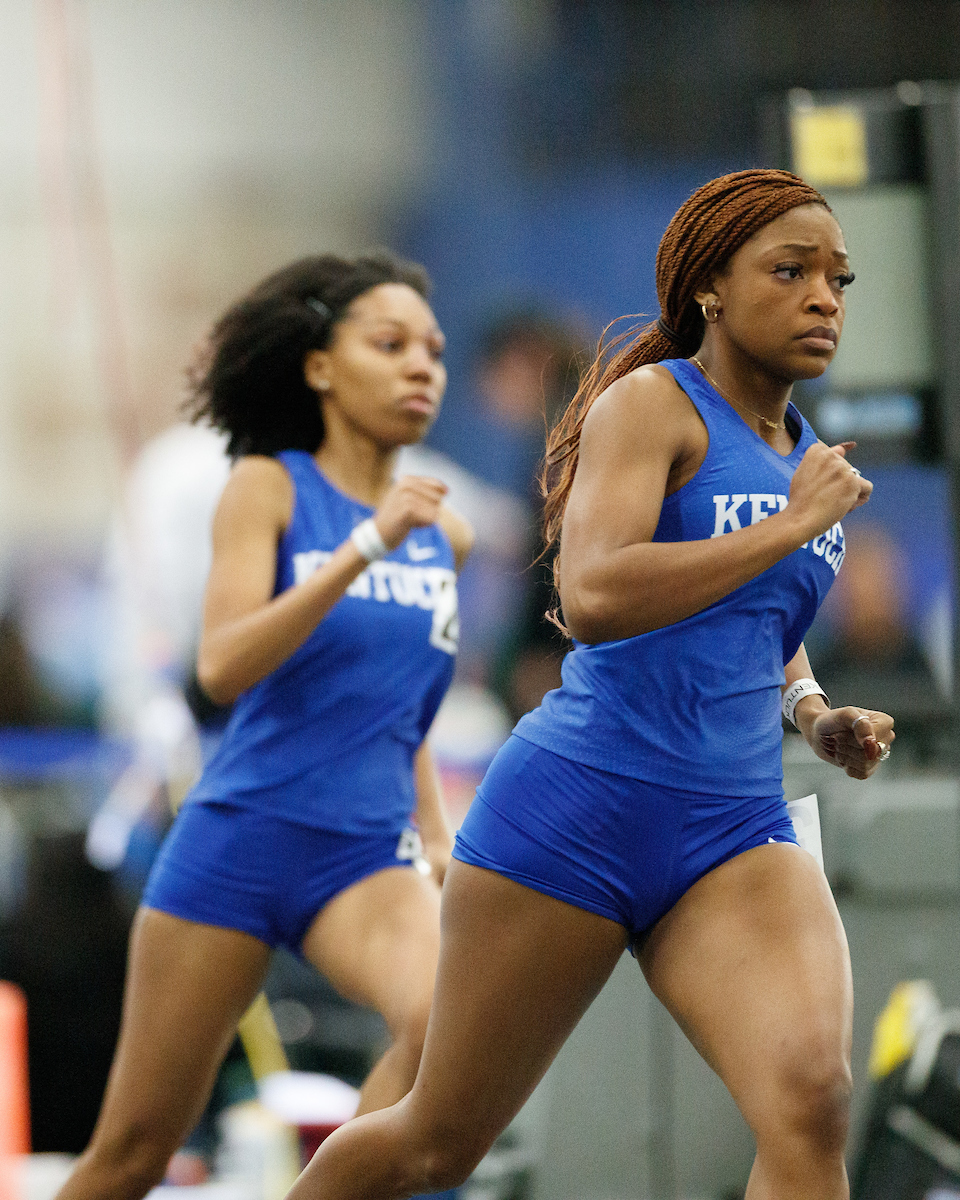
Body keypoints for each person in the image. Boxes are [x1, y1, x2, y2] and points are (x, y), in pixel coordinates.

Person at [288, 169, 896, 1200]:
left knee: (811, 1101)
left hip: (735, 827)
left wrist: (812, 710)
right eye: (789, 272)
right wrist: (793, 524)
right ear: (709, 286)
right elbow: (598, 589)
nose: (823, 298)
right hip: (578, 811)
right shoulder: (652, 408)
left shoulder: (797, 452)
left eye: (838, 278)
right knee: (436, 1141)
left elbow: (764, 624)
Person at [55, 251, 472, 1200]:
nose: (422, 368)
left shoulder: (446, 533)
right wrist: (365, 545)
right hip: (240, 843)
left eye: (435, 352)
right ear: (320, 367)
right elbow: (224, 662)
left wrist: (438, 836)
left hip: (365, 859)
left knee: (452, 1031)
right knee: (132, 1154)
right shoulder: (268, 488)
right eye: (391, 343)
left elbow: (404, 705)